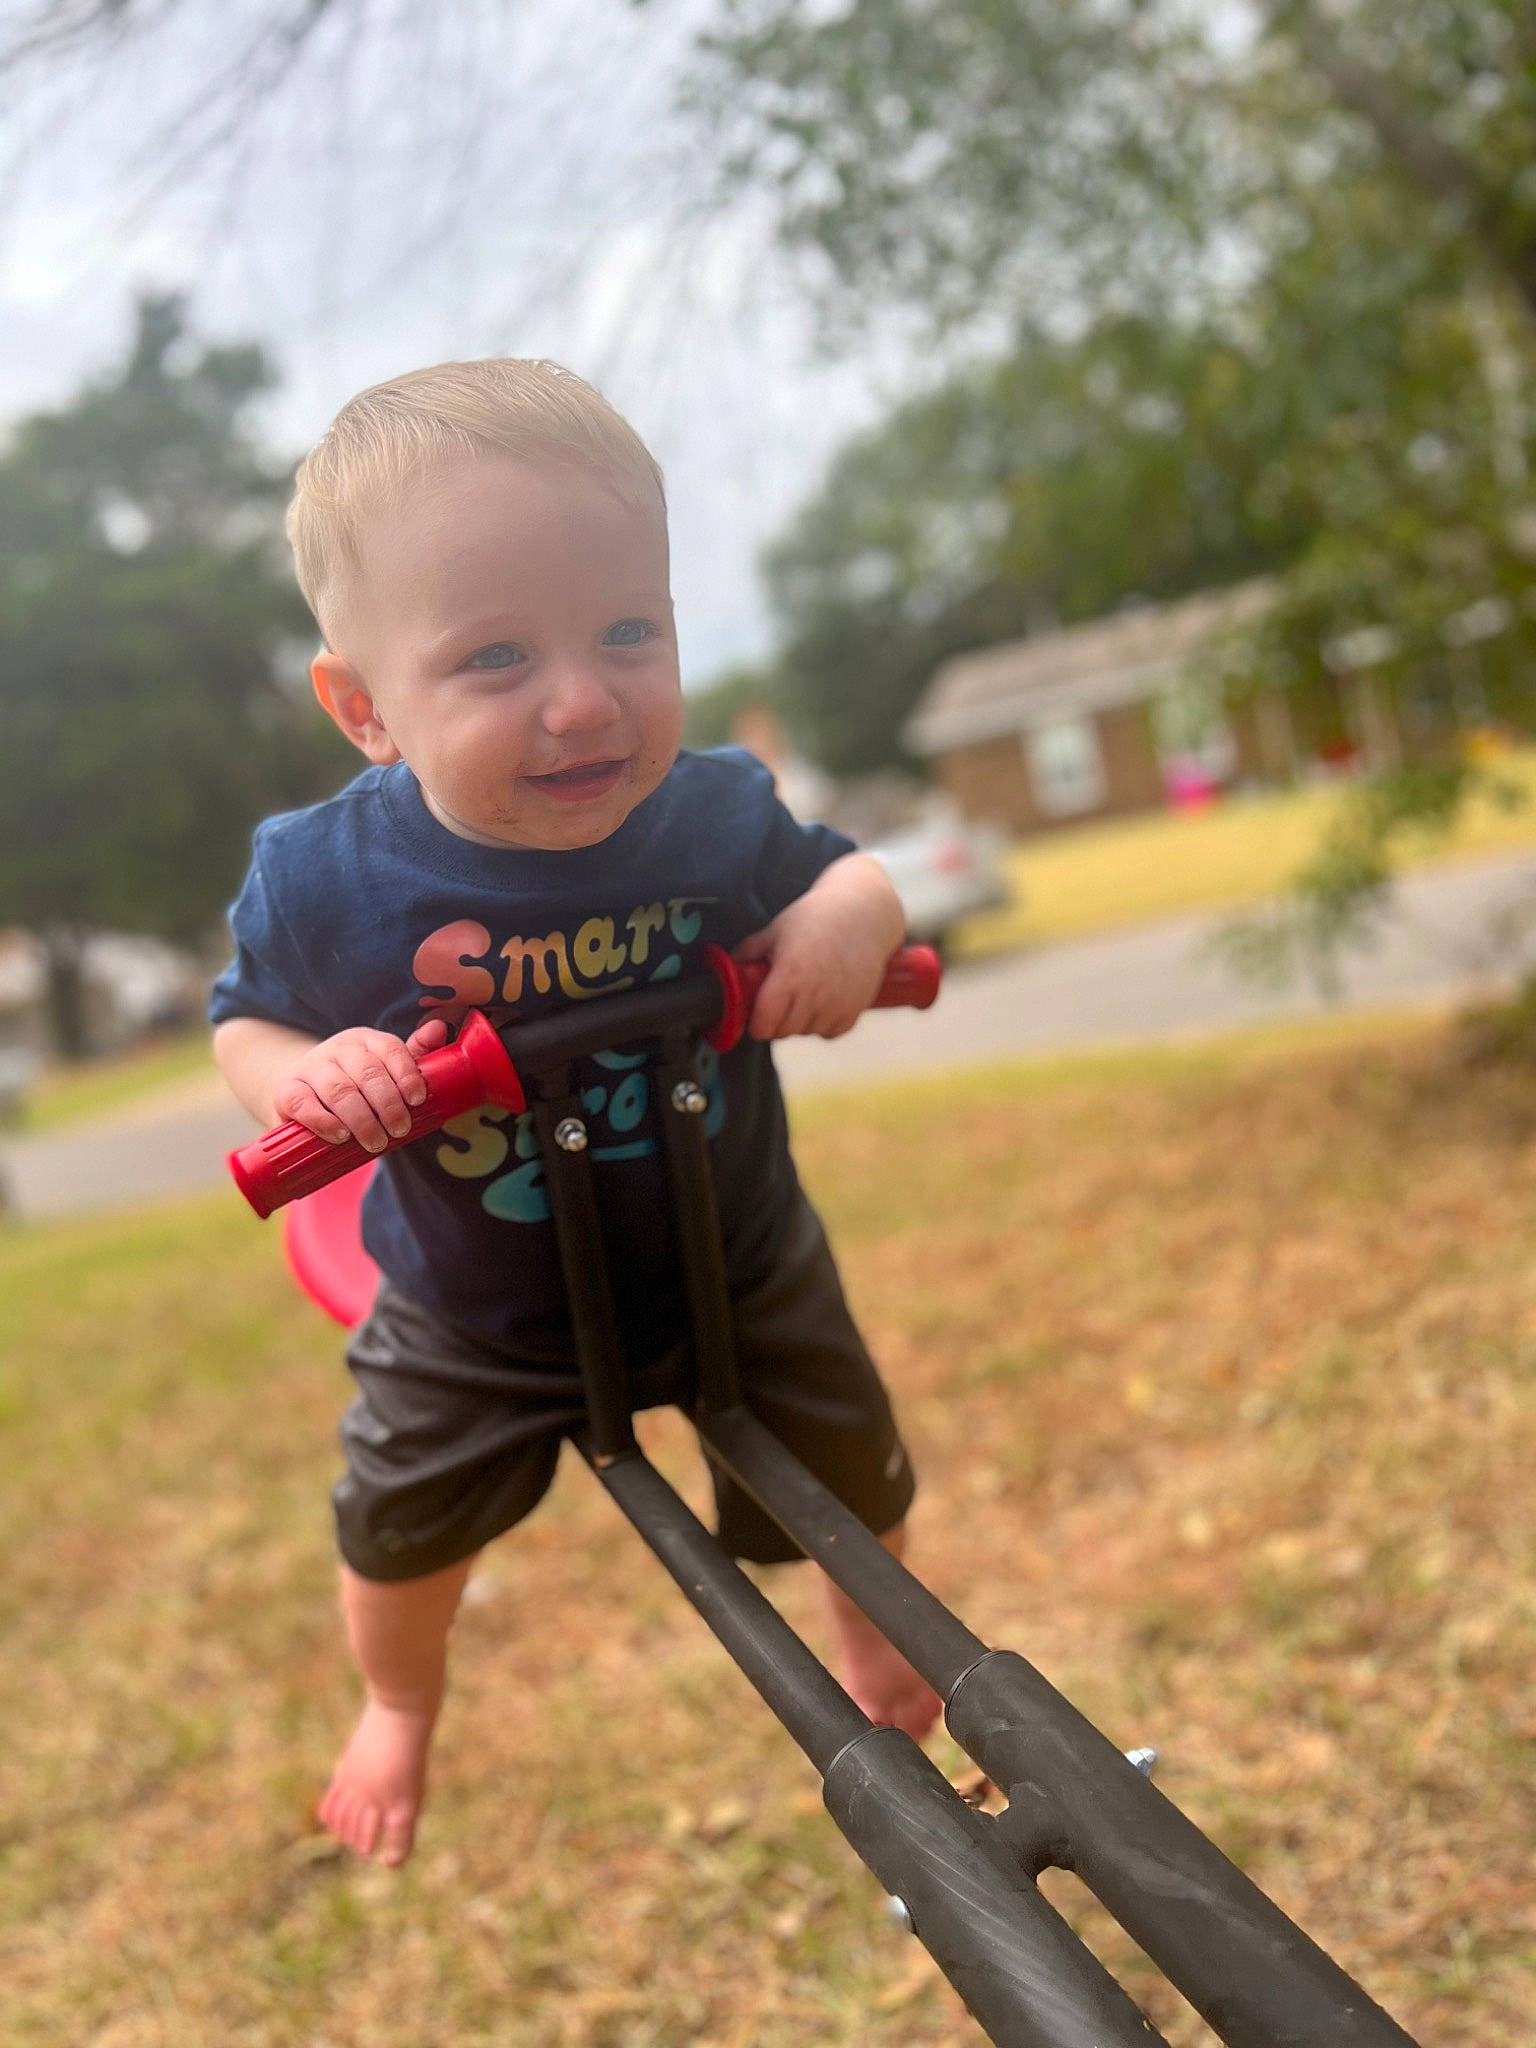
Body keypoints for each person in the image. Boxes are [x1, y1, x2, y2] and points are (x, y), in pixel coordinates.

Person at [210, 358, 940, 1870]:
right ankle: (399, 1702)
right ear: (365, 709)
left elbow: (852, 870)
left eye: (630, 631)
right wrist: (310, 1080)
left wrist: (847, 925)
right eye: (494, 659)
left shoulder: (718, 811)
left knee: (851, 1468)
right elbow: (248, 1024)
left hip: (733, 1250)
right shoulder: (327, 876)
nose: (586, 698)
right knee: (396, 1524)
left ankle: (872, 1647)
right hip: (481, 1304)